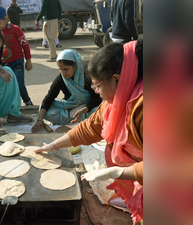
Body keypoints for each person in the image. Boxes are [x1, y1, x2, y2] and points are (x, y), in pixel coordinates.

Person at [35, 39, 143, 223]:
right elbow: (89, 128)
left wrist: (117, 173)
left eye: (97, 86)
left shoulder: (147, 109)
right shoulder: (115, 101)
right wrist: (52, 146)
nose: (96, 92)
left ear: (116, 79)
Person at [31, 49, 101, 132]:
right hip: (70, 108)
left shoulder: (87, 76)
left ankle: (76, 118)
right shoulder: (61, 78)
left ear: (75, 65)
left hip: (87, 108)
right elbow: (49, 98)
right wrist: (40, 120)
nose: (63, 72)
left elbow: (97, 98)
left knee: (100, 111)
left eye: (66, 69)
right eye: (60, 69)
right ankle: (77, 119)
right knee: (44, 111)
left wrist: (83, 109)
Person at [0, 5, 33, 106]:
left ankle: (27, 102)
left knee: (20, 85)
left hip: (17, 62)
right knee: (7, 87)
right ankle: (12, 105)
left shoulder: (15, 29)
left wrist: (29, 60)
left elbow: (25, 45)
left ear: (5, 19)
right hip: (3, 65)